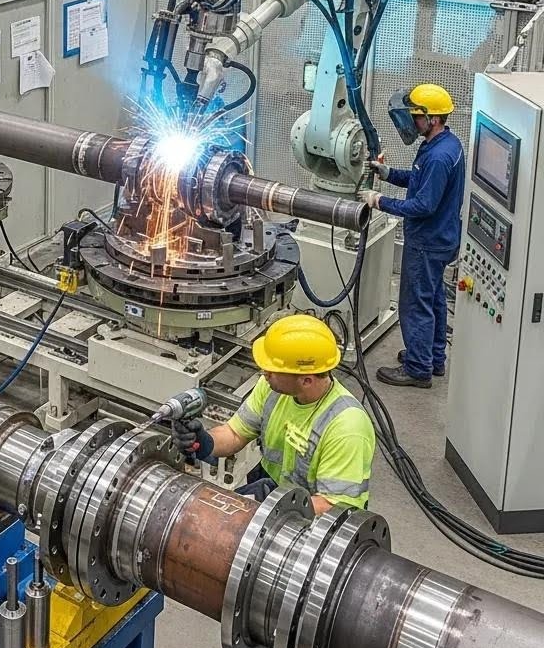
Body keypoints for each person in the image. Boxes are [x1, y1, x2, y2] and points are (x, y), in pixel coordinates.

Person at [172, 315, 375, 515]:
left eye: (272, 370)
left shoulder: (347, 428)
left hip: (312, 520)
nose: (264, 373)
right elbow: (235, 434)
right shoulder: (272, 389)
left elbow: (332, 507)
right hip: (275, 489)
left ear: (306, 380)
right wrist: (205, 441)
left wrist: (272, 508)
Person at [359, 84, 465, 388]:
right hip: (443, 238)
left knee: (415, 303)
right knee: (433, 299)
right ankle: (433, 358)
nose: (411, 122)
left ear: (432, 118)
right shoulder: (446, 144)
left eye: (416, 116)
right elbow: (420, 180)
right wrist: (388, 173)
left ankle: (418, 369)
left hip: (427, 243)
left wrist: (379, 201)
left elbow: (423, 204)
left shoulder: (438, 157)